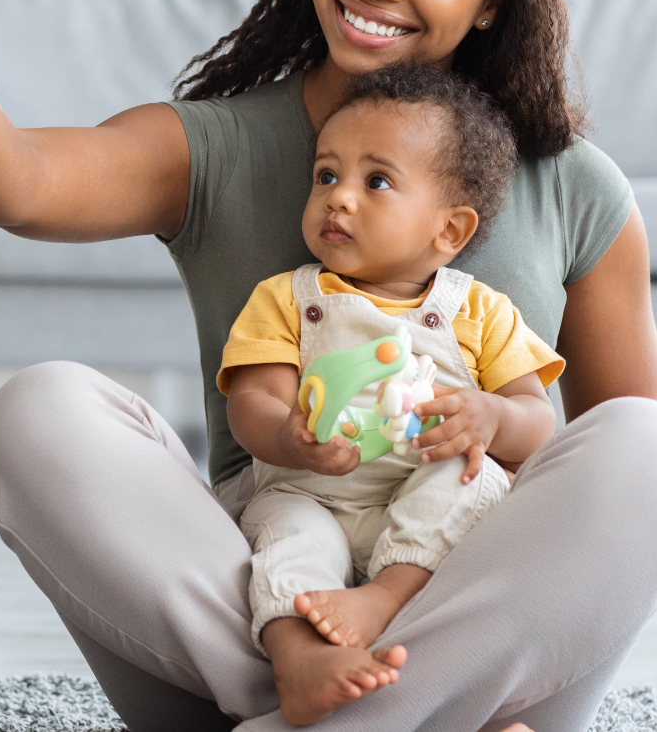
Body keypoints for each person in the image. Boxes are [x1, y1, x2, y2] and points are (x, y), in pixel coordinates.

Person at [0, 0, 657, 729]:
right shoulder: (219, 145)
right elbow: (18, 185)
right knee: (39, 409)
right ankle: (343, 700)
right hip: (267, 590)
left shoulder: (577, 189)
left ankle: (340, 714)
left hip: (476, 604)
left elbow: (623, 503)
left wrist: (491, 428)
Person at [222, 63, 567, 725]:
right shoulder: (288, 300)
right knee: (290, 539)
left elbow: (537, 422)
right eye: (327, 175)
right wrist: (289, 436)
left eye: (375, 181)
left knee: (475, 484)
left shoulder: (480, 313)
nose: (339, 198)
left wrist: (490, 417)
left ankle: (387, 603)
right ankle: (298, 661)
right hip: (312, 492)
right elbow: (252, 403)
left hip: (422, 514)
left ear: (449, 232)